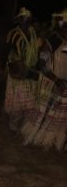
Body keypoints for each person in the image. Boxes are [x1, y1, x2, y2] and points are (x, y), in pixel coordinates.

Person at [22, 8, 67, 150]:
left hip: (64, 82)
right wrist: (56, 80)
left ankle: (53, 140)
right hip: (50, 81)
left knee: (59, 116)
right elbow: (42, 64)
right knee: (45, 112)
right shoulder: (52, 40)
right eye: (62, 22)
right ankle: (37, 138)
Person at [4, 7, 39, 132]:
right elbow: (7, 51)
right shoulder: (13, 34)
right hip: (17, 70)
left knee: (29, 101)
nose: (26, 21)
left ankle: (25, 126)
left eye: (28, 19)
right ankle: (13, 126)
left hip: (29, 70)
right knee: (17, 102)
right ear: (19, 20)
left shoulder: (33, 33)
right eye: (24, 19)